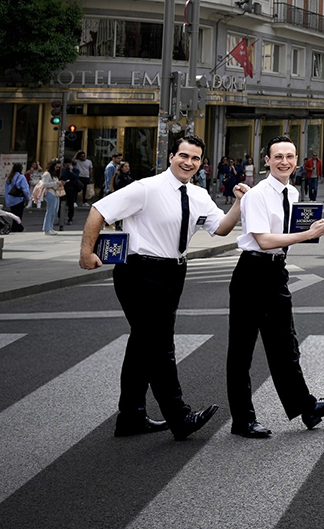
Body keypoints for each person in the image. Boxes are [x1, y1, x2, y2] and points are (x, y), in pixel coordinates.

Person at [79, 133, 245, 440]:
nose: (189, 162)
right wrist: (86, 252)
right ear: (171, 156)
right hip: (139, 272)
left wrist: (238, 203)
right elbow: (99, 211)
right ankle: (179, 416)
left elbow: (220, 229)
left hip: (173, 273)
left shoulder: (197, 195)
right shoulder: (146, 188)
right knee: (159, 345)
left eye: (195, 158)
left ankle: (131, 416)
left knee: (143, 345)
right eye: (183, 155)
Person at [226, 136, 324, 438]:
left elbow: (282, 239)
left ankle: (306, 408)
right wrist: (306, 235)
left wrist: (305, 233)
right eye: (278, 156)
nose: (284, 162)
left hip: (275, 272)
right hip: (252, 272)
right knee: (241, 351)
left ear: (297, 160)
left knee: (285, 345)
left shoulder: (293, 192)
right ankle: (242, 420)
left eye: (290, 156)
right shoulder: (256, 195)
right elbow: (263, 240)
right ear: (266, 160)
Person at [38, 164, 65, 235]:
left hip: (55, 193)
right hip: (50, 193)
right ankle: (47, 228)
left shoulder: (54, 174)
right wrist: (55, 183)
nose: (57, 168)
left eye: (58, 167)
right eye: (56, 167)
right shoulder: (47, 174)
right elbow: (44, 184)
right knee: (50, 211)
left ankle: (50, 227)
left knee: (54, 211)